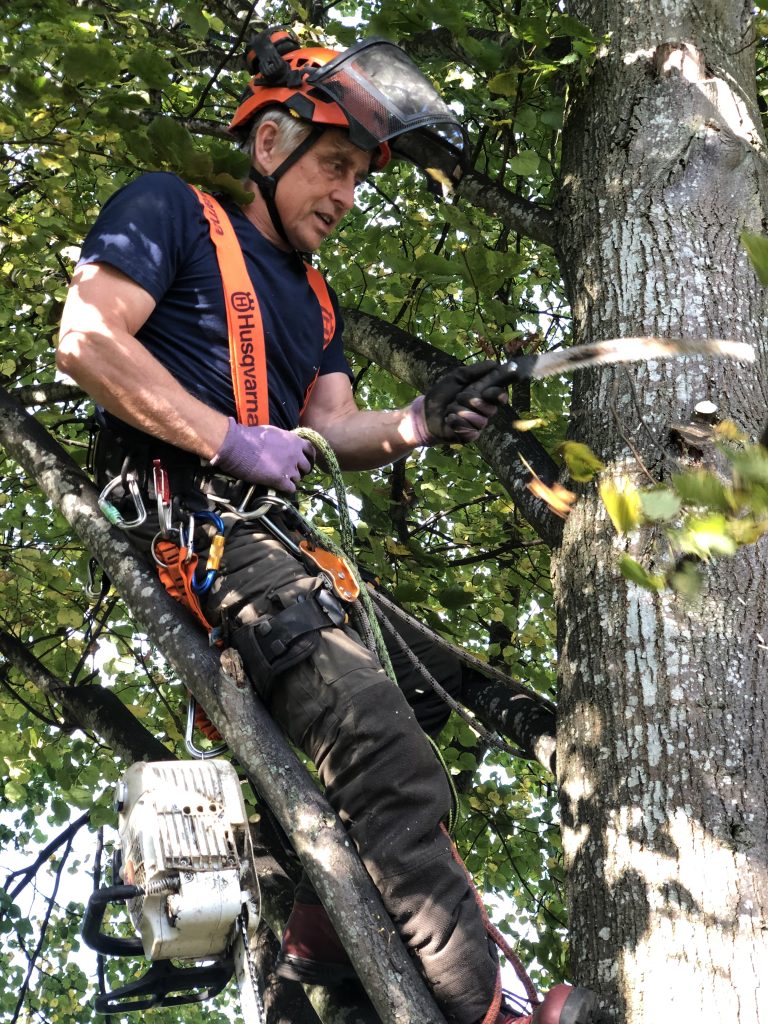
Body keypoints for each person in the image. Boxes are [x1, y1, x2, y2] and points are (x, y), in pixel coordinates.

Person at [57, 28, 601, 1024]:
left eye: (360, 176)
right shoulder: (169, 211)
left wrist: (425, 421)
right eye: (337, 166)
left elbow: (334, 428)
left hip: (274, 538)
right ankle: (494, 1008)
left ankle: (315, 956)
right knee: (381, 748)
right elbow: (87, 337)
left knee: (429, 695)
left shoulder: (312, 297)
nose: (349, 196)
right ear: (271, 145)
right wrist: (228, 438)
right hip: (196, 518)